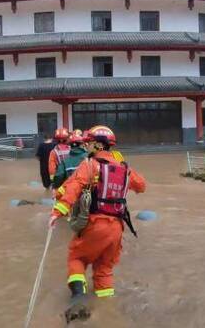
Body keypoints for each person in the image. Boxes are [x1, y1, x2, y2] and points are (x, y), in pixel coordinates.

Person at [49, 125, 146, 322]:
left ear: (97, 144)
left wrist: (57, 212)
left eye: (89, 142)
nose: (87, 146)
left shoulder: (90, 165)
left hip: (95, 224)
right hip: (117, 230)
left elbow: (73, 187)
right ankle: (106, 313)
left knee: (76, 258)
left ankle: (78, 298)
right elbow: (142, 186)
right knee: (104, 270)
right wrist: (123, 165)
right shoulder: (124, 168)